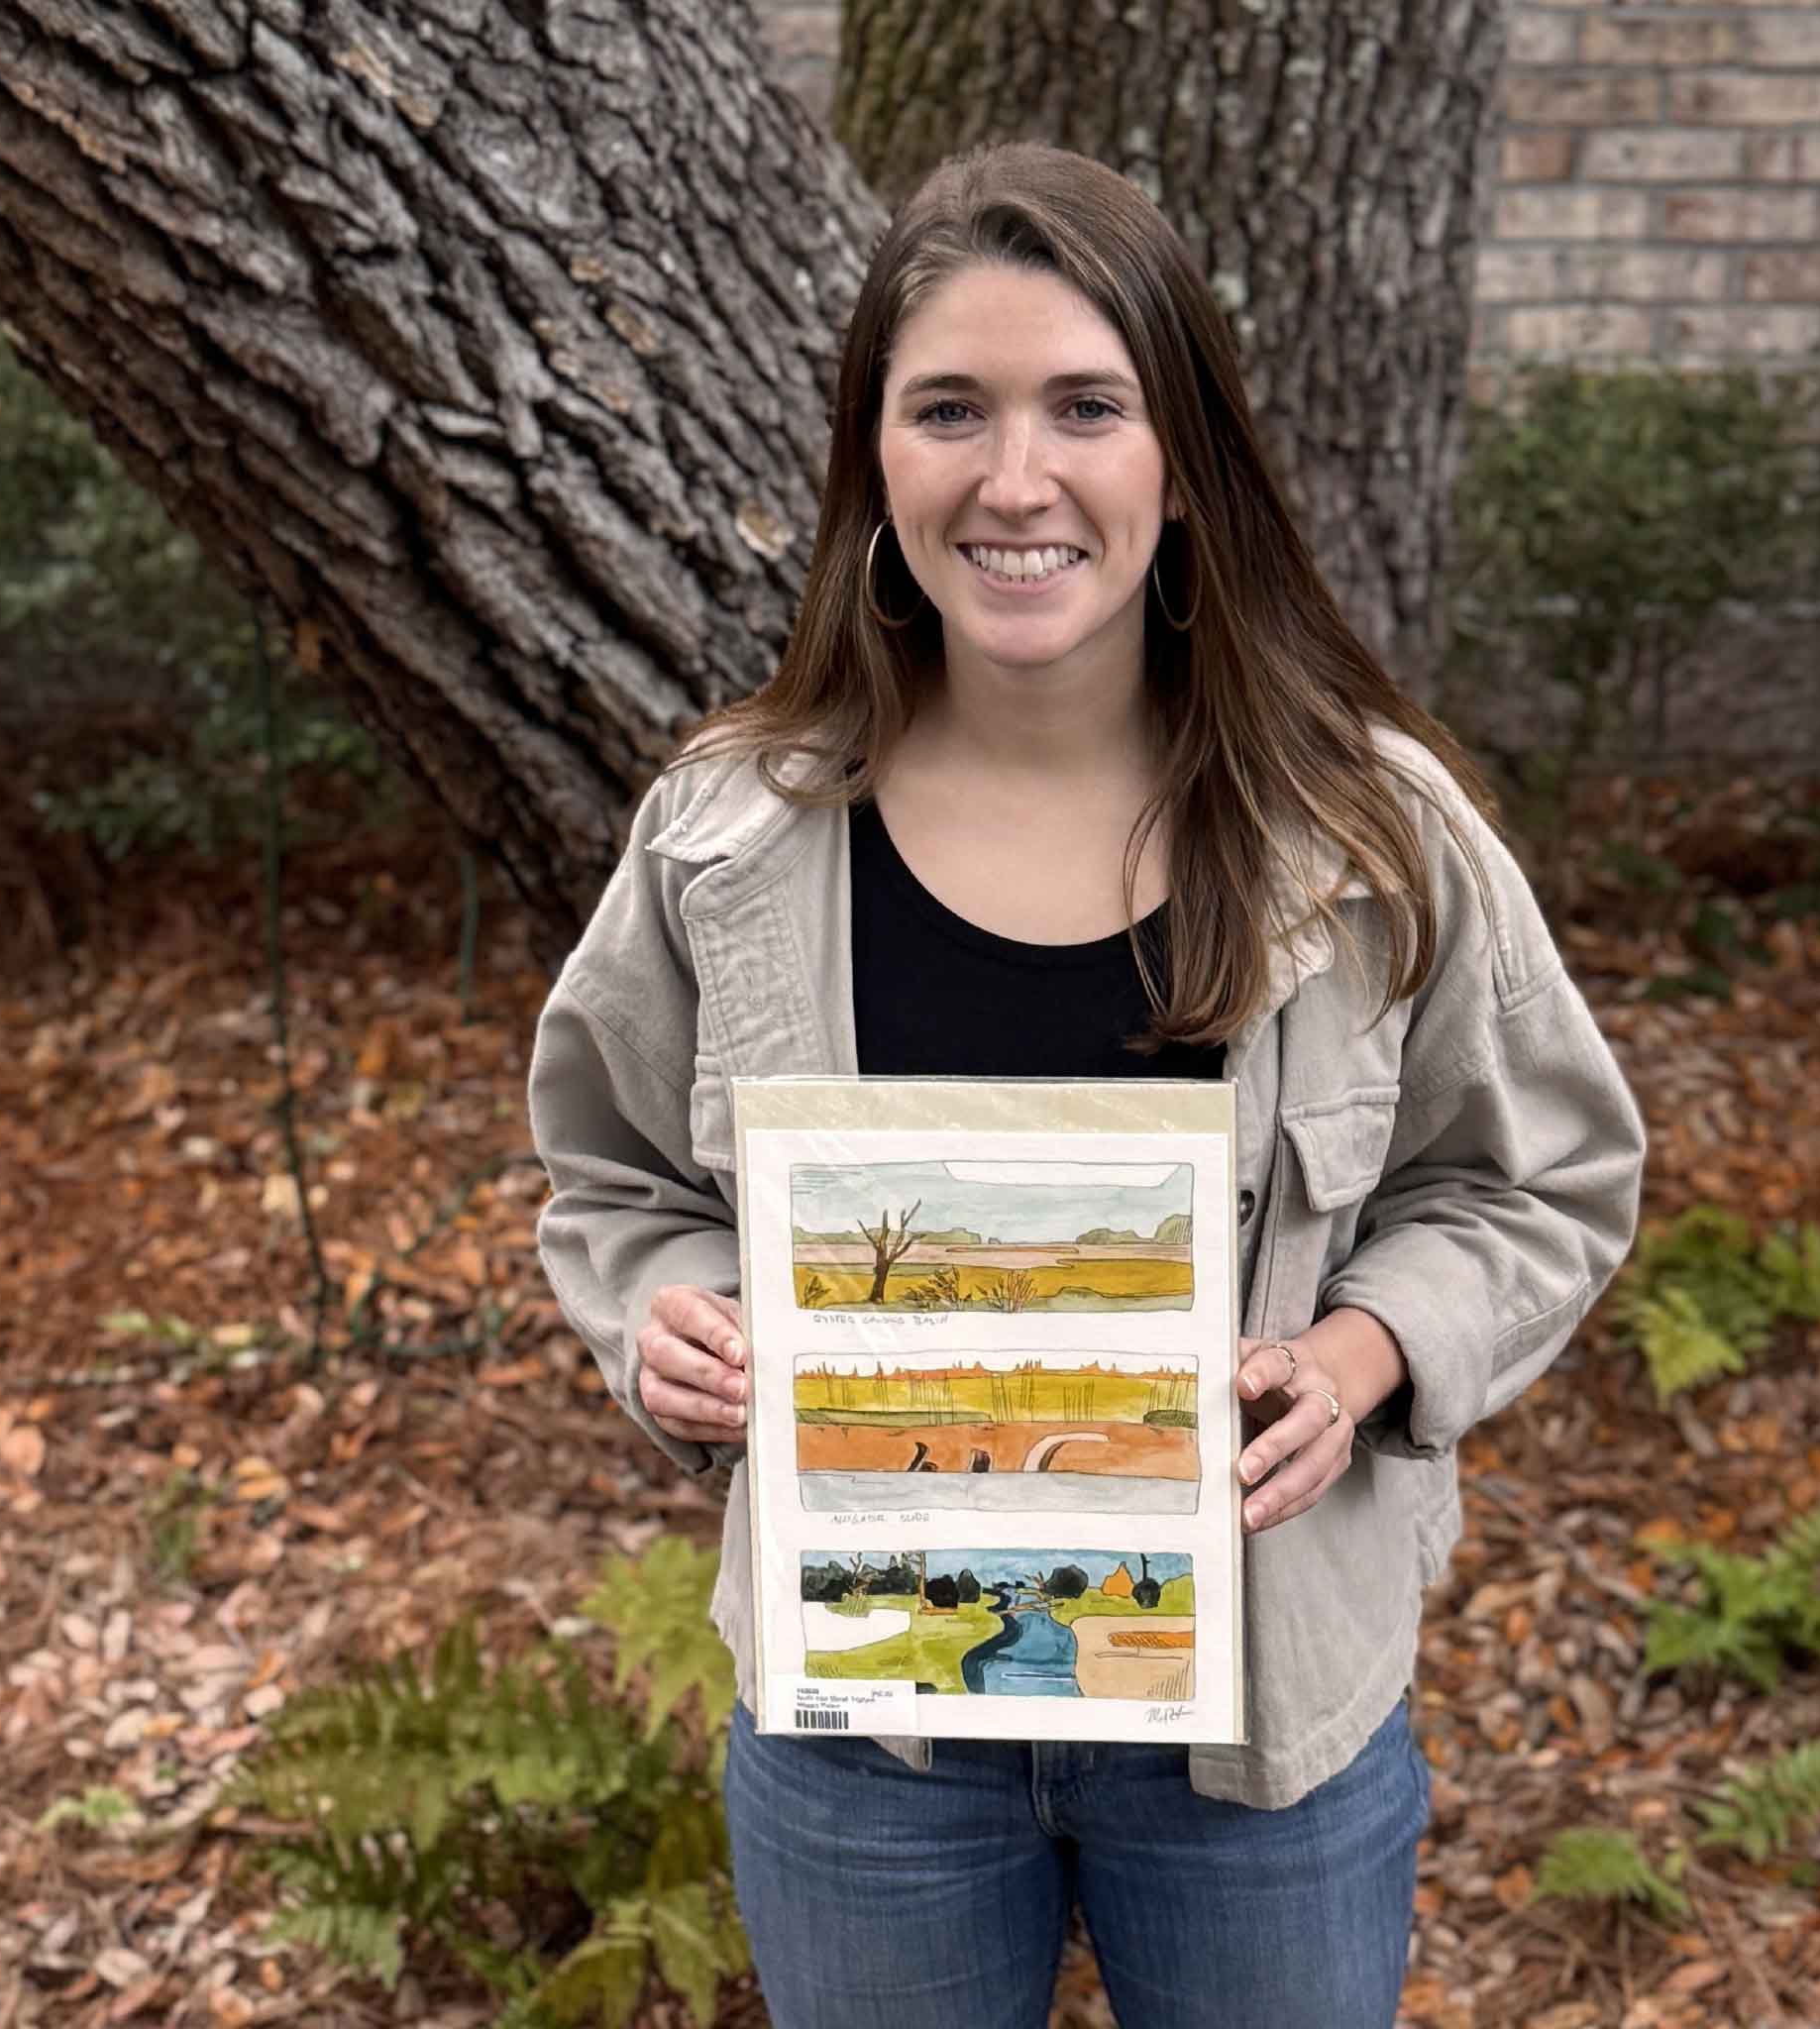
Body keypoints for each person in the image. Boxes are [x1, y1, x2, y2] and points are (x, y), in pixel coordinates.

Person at [528, 142, 1646, 2029]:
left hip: (1256, 1744)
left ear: (1181, 463)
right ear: (874, 464)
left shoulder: (1368, 835)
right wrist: (664, 1320)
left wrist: (1366, 1354)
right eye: (949, 408)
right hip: (870, 1744)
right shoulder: (726, 837)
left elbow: (1539, 1180)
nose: (1015, 477)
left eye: (1087, 407)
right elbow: (617, 1181)